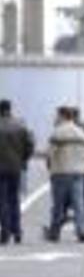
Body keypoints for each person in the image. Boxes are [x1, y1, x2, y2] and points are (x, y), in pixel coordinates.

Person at [44, 106, 84, 242]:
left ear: (63, 116)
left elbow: (50, 153)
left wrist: (49, 165)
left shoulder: (58, 132)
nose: (55, 118)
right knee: (79, 203)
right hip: (79, 172)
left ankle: (54, 232)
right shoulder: (81, 133)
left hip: (61, 171)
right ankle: (82, 231)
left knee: (58, 205)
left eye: (57, 115)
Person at [0, 99, 33, 244]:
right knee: (14, 199)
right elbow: (29, 146)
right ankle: (18, 232)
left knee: (2, 201)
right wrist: (23, 160)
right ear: (10, 109)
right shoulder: (20, 125)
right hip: (16, 168)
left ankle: (5, 233)